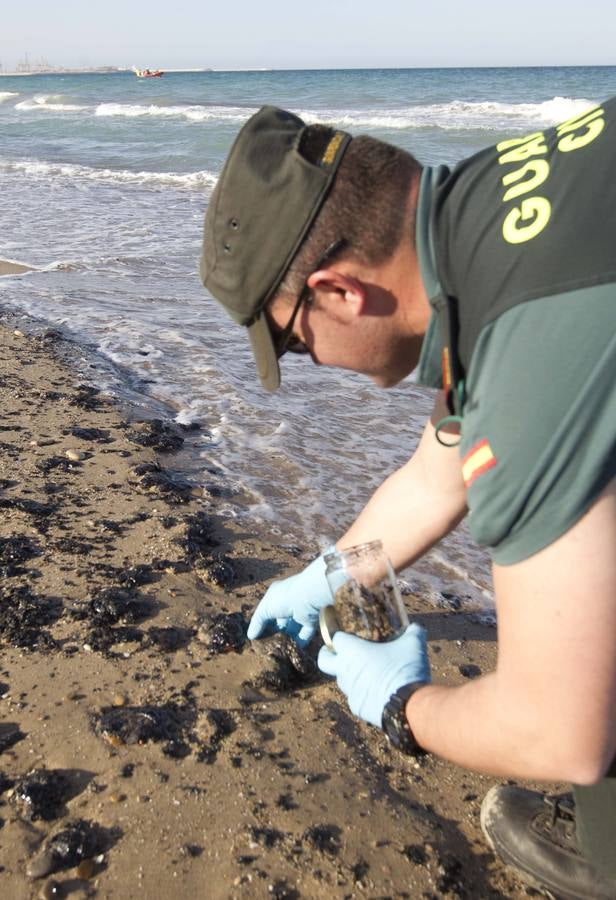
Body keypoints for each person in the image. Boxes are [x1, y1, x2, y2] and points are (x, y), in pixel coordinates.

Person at [199, 101, 616, 898]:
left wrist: (405, 706)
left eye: (292, 340)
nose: (309, 362)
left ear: (339, 292)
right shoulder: (482, 214)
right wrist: (329, 574)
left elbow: (557, 732)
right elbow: (438, 472)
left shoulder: (525, 377)